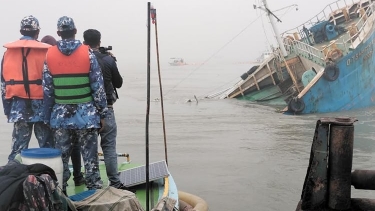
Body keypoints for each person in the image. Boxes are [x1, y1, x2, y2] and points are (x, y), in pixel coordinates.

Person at [42, 16, 107, 193]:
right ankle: (94, 194)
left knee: (61, 160)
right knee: (90, 159)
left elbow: (47, 91)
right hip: (86, 116)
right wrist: (102, 114)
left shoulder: (49, 55)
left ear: (58, 33)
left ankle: (60, 196)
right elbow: (98, 87)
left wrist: (47, 116)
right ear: (75, 31)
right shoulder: (88, 53)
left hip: (60, 118)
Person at [1, 15, 54, 162]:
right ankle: (50, 179)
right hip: (42, 107)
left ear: (20, 30)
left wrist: (7, 110)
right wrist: (51, 109)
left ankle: (11, 179)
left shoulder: (7, 54)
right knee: (47, 147)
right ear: (37, 32)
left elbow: (3, 86)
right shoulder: (46, 52)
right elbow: (50, 84)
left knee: (18, 149)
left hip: (18, 106)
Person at [40, 34, 85, 186]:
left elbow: (48, 93)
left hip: (55, 114)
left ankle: (57, 183)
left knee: (58, 149)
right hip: (79, 113)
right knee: (76, 146)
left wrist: (47, 116)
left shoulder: (48, 60)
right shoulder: (61, 58)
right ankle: (78, 177)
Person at [83, 29, 125, 189]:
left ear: (84, 42)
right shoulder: (108, 59)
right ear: (99, 42)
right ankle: (115, 183)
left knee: (89, 148)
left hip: (86, 110)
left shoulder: (82, 59)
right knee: (109, 147)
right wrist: (112, 60)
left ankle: (92, 184)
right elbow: (119, 83)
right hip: (106, 107)